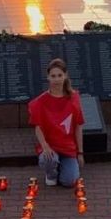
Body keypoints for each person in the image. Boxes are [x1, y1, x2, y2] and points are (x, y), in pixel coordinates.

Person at [28, 58, 85, 187]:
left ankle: (63, 167)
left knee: (69, 182)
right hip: (51, 147)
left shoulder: (74, 98)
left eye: (60, 75)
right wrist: (45, 146)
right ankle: (51, 174)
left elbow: (78, 126)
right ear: (48, 77)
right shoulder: (40, 102)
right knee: (49, 159)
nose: (57, 79)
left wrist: (80, 153)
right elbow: (38, 127)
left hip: (68, 148)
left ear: (65, 76)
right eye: (53, 76)